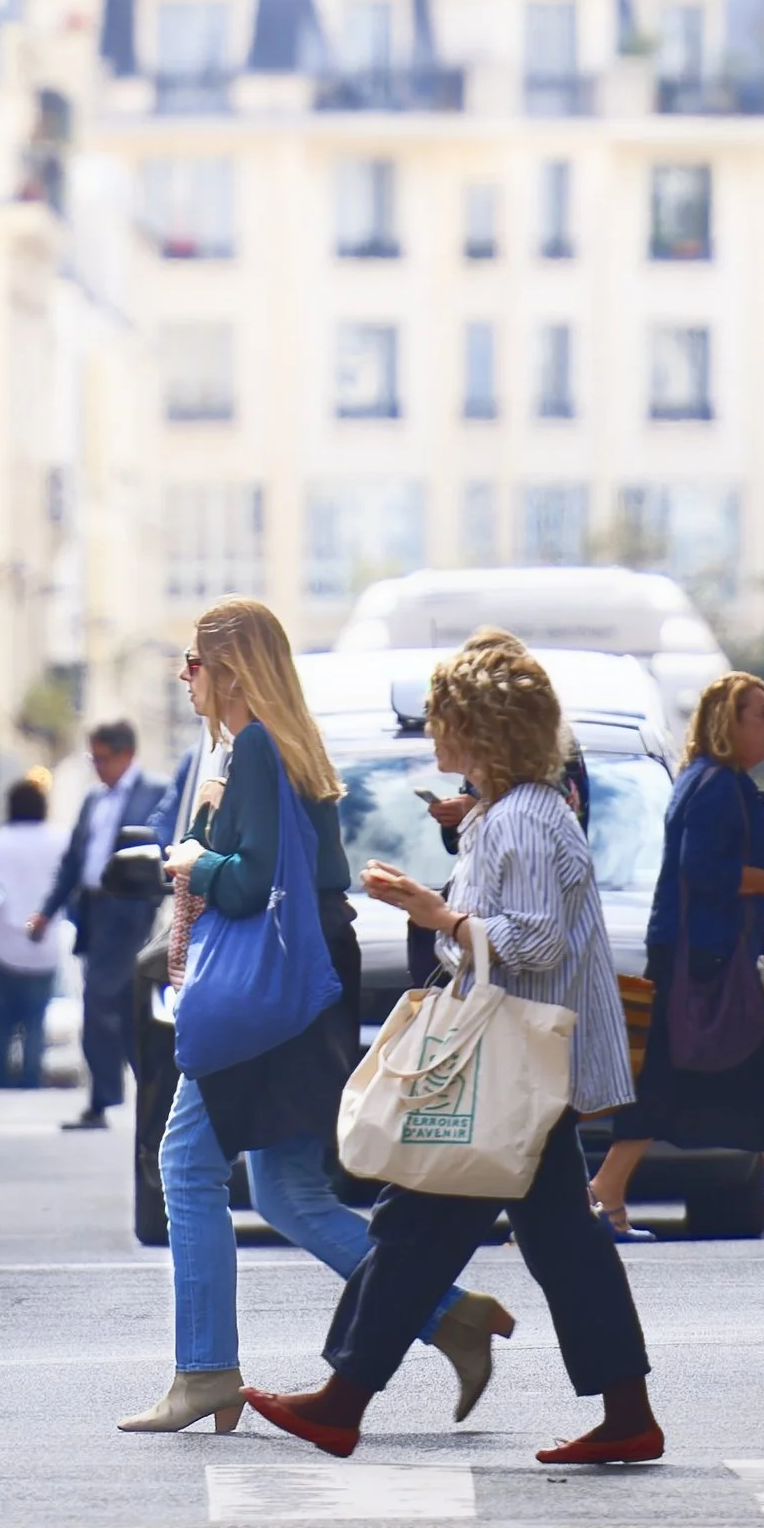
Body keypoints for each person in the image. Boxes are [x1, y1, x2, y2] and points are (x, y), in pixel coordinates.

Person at [246, 629, 668, 1468]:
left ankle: (344, 1398)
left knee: (421, 1223)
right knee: (545, 1239)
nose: (433, 736)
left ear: (483, 732)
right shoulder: (513, 813)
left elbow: (537, 942)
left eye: (445, 721)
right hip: (521, 1064)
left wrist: (438, 915)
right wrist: (457, 860)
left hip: (514, 1063)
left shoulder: (521, 820)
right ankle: (624, 1411)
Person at [120, 602, 507, 1433]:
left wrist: (194, 856)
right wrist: (210, 823)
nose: (184, 675)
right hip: (304, 977)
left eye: (193, 662)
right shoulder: (274, 745)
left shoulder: (257, 743)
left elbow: (249, 882)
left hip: (265, 984)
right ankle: (449, 1315)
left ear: (229, 667)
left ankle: (206, 1372)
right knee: (289, 1190)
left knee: (185, 1163)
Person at [589, 671, 764, 1236]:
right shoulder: (716, 786)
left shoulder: (706, 780)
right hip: (705, 960)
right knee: (713, 1070)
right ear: (729, 726)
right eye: (762, 714)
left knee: (697, 1074)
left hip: (702, 956)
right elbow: (701, 871)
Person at [38, 717, 176, 1131]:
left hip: (130, 910)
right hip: (95, 913)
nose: (97, 766)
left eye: (102, 758)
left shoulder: (156, 793)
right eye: (92, 758)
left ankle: (125, 1096)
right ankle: (121, 1096)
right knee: (115, 1006)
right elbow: (73, 861)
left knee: (108, 1002)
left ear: (125, 755)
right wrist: (47, 911)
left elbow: (161, 845)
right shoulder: (93, 799)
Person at [0, 778, 62, 1088]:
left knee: (1, 1022)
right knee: (36, 1022)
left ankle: (2, 1079)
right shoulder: (58, 841)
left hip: (2, 948)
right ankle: (31, 1080)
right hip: (43, 948)